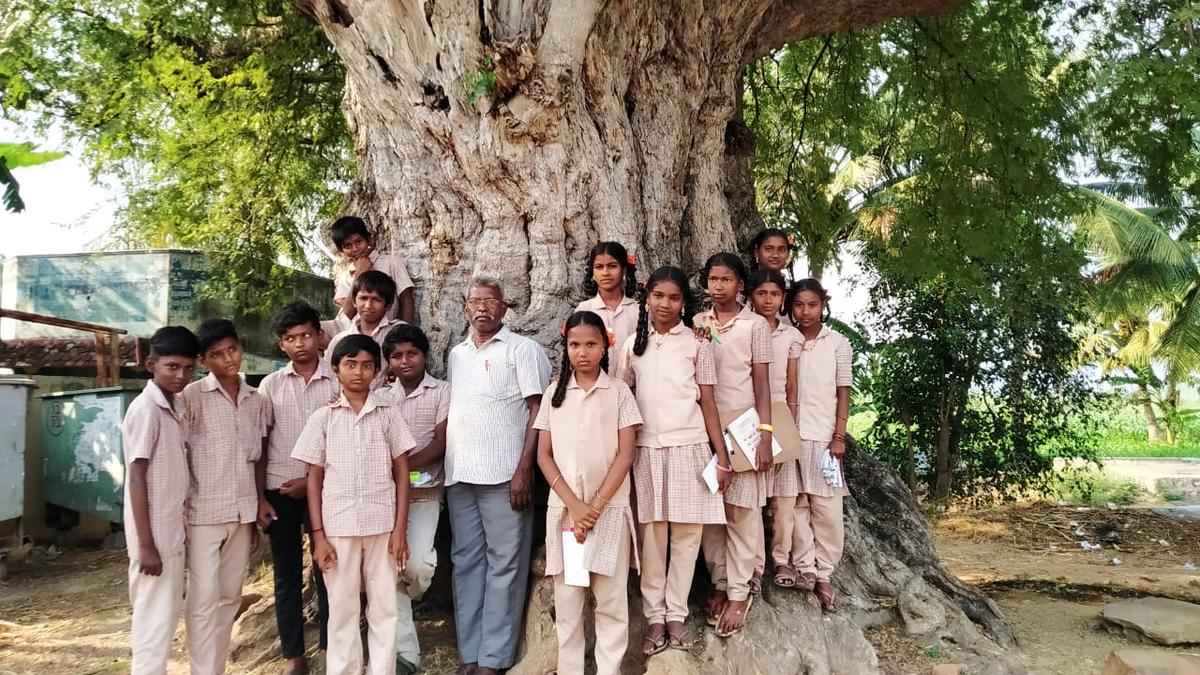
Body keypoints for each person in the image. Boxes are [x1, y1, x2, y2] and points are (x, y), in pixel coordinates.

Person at [615, 266, 730, 654]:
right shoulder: (632, 345)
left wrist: (723, 455)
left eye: (674, 298)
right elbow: (623, 403)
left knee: (686, 536)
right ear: (647, 298)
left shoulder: (697, 344)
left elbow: (709, 401)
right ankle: (655, 617)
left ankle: (677, 614)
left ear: (684, 303)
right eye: (659, 296)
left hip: (690, 447)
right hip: (646, 451)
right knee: (652, 537)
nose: (665, 304)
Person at [444, 276, 551, 675]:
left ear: (505, 308)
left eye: (490, 302)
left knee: (505, 564)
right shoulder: (456, 355)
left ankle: (494, 658)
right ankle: (470, 654)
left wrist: (524, 469)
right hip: (460, 475)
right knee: (466, 563)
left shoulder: (523, 350)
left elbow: (539, 413)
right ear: (465, 308)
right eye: (474, 302)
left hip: (507, 477)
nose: (482, 309)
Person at [293, 334, 416, 675]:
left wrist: (400, 530)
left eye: (366, 366)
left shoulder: (388, 414)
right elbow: (313, 479)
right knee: (342, 609)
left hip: (382, 525)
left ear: (377, 371)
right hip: (337, 528)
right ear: (335, 369)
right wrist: (317, 535)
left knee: (384, 607)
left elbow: (402, 475)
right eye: (350, 365)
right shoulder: (324, 418)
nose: (358, 373)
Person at [535, 311, 641, 675]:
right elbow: (543, 456)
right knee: (569, 600)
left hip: (608, 512)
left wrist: (593, 507)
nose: (582, 352)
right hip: (566, 513)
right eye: (574, 344)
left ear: (605, 346)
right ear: (565, 348)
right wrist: (575, 507)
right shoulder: (554, 394)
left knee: (611, 602)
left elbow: (626, 453)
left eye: (591, 344)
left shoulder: (619, 392)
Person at [693, 252, 774, 639]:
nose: (718, 286)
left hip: (742, 430)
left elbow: (762, 383)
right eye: (713, 279)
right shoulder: (697, 323)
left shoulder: (755, 325)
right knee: (712, 515)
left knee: (742, 514)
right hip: (703, 431)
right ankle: (721, 583)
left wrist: (765, 434)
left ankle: (740, 593)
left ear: (741, 284)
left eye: (726, 280)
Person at [180, 318, 267, 675]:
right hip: (202, 514)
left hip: (243, 513)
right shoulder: (192, 397)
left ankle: (215, 667)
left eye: (232, 349)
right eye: (217, 354)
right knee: (202, 600)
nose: (228, 359)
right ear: (204, 360)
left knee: (230, 596)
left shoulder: (256, 399)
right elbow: (179, 455)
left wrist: (260, 502)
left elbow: (259, 456)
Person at [256, 301, 336, 675]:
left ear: (320, 337)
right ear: (281, 345)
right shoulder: (270, 386)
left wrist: (311, 481)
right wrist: (259, 496)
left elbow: (342, 440)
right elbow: (261, 442)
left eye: (306, 335)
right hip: (279, 490)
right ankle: (293, 655)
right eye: (291, 338)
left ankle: (328, 647)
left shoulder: (338, 380)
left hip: (326, 488)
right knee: (286, 573)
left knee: (328, 570)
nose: (300, 343)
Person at [122, 326, 198, 675]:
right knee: (153, 627)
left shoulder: (175, 405)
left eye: (187, 368)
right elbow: (136, 477)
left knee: (164, 622)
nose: (180, 375)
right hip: (154, 539)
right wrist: (146, 546)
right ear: (151, 364)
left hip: (172, 532)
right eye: (172, 367)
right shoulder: (146, 409)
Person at [381, 324, 450, 675]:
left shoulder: (441, 392)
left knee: (418, 566)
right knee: (390, 571)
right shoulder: (380, 397)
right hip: (386, 499)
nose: (404, 361)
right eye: (396, 356)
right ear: (388, 362)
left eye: (412, 354)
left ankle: (419, 593)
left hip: (425, 493)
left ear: (425, 356)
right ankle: (407, 653)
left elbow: (440, 443)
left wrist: (401, 466)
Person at [787, 278, 852, 612]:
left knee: (827, 509)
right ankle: (806, 568)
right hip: (790, 437)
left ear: (823, 305)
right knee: (795, 505)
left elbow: (843, 393)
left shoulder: (837, 343)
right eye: (799, 304)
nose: (805, 311)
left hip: (825, 439)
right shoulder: (787, 339)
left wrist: (838, 437)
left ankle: (825, 572)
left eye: (812, 304)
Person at [745, 271, 804, 589]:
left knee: (783, 498)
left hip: (780, 417)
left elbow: (792, 385)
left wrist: (791, 425)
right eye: (761, 294)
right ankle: (754, 566)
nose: (768, 300)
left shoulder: (791, 336)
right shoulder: (743, 329)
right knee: (753, 498)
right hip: (747, 418)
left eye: (775, 294)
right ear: (751, 296)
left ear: (783, 298)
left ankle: (782, 559)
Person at [331, 215, 416, 324]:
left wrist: (406, 334)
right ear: (341, 251)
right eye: (348, 246)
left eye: (358, 242)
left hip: (388, 333)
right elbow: (348, 313)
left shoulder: (391, 263)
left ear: (369, 240)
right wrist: (360, 274)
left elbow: (406, 299)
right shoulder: (346, 277)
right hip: (356, 336)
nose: (355, 249)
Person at [327, 270, 405, 388]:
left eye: (376, 299)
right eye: (363, 298)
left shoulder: (399, 332)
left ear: (388, 305)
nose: (368, 305)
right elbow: (329, 377)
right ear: (354, 301)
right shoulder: (340, 340)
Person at [575, 241, 639, 373]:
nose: (605, 272)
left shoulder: (638, 311)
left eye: (612, 266)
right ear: (592, 272)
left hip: (633, 387)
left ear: (624, 270)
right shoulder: (584, 310)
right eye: (599, 267)